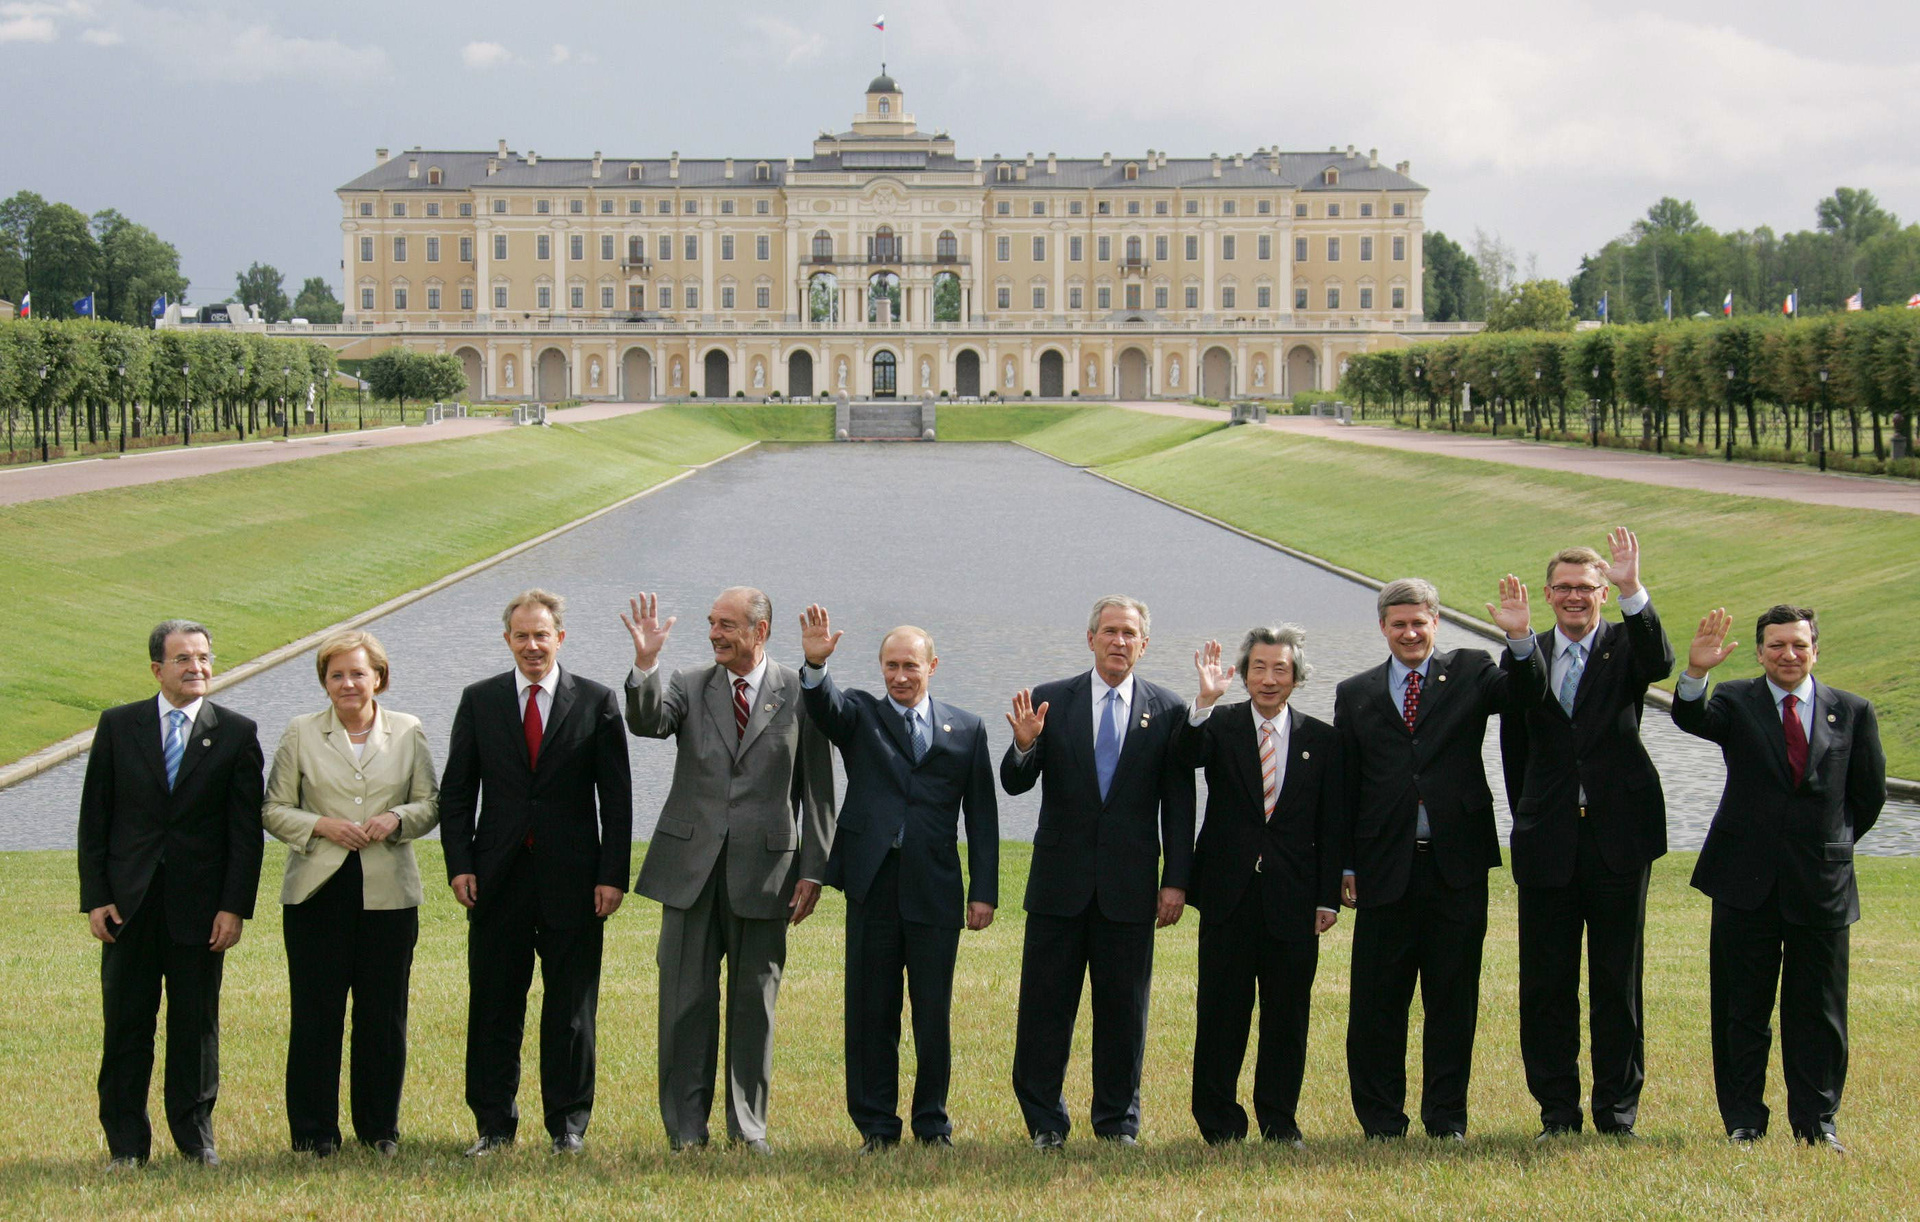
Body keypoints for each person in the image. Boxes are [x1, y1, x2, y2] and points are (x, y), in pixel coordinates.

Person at [621, 587, 834, 1154]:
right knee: (684, 1002)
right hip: (689, 869)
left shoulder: (799, 692)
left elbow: (818, 791)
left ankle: (749, 1127)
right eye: (712, 623)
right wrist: (646, 664)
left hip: (767, 874)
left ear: (759, 632)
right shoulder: (690, 685)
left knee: (753, 1005)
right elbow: (646, 723)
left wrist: (814, 869)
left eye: (728, 625)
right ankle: (686, 1131)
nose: (714, 633)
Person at [1335, 576, 1544, 1141]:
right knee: (1377, 1003)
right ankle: (1381, 1119)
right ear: (1383, 627)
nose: (1410, 632)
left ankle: (1445, 1117)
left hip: (1456, 864)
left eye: (1419, 622)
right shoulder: (1354, 692)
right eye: (1398, 623)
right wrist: (1346, 865)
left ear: (1436, 623)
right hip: (1383, 868)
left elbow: (1527, 696)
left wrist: (1521, 639)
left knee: (1453, 998)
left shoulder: (1474, 670)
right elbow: (1346, 787)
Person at [1673, 604, 1885, 1152]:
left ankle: (1818, 1122)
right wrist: (1695, 675)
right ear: (1761, 650)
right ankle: (1744, 1119)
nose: (1788, 655)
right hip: (1745, 879)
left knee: (1819, 1011)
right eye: (1775, 646)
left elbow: (1868, 795)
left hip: (1821, 884)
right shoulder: (1736, 701)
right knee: (1742, 1008)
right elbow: (1693, 720)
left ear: (1816, 648)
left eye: (1798, 645)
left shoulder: (1852, 711)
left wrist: (1830, 847)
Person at [795, 607, 998, 1152]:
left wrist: (983, 892)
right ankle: (877, 1127)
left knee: (933, 1015)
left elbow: (981, 817)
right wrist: (815, 665)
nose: (900, 676)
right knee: (870, 1013)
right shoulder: (860, 714)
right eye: (890, 666)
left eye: (910, 665)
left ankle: (933, 1124)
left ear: (932, 666)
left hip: (935, 889)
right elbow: (825, 707)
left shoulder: (967, 729)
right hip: (873, 886)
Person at [439, 590, 632, 1156]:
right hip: (496, 879)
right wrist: (459, 866)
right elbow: (456, 795)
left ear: (560, 639)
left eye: (541, 635)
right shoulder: (480, 701)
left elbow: (617, 801)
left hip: (574, 882)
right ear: (507, 641)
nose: (531, 645)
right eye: (521, 636)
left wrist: (612, 875)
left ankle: (568, 1126)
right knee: (495, 1004)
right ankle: (494, 1126)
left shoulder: (595, 701)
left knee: (571, 1009)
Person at [1002, 595, 1195, 1150]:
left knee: (1124, 1012)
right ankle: (1045, 1123)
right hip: (1058, 887)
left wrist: (1175, 879)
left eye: (1129, 633)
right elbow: (1016, 782)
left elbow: (1179, 804)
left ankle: (1116, 1124)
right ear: (1090, 639)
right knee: (1044, 1010)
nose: (1118, 641)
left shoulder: (1170, 710)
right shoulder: (1049, 701)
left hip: (1131, 890)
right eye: (1109, 631)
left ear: (1144, 643)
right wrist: (1022, 745)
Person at [1498, 529, 1673, 1140]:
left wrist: (1633, 589)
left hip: (1620, 837)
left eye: (1587, 588)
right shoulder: (1526, 650)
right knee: (1546, 983)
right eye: (1564, 588)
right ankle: (1557, 1113)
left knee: (1616, 980)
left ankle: (1617, 1113)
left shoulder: (1628, 646)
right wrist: (1519, 639)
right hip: (1547, 838)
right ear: (1548, 594)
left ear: (1602, 592)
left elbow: (1662, 665)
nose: (1576, 597)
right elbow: (1514, 746)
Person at [78, 619, 264, 1169]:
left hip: (201, 912)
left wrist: (233, 908)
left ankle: (195, 1140)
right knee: (127, 1027)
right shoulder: (118, 726)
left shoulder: (236, 732)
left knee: (196, 1029)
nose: (197, 668)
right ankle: (126, 1146)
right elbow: (96, 820)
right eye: (183, 659)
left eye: (204, 658)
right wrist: (96, 896)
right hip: (129, 908)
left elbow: (244, 836)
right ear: (157, 668)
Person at [262, 630, 440, 1157]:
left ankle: (379, 1129)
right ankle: (314, 1132)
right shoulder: (299, 733)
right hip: (317, 891)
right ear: (324, 682)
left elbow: (430, 803)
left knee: (383, 1017)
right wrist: (320, 824)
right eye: (336, 674)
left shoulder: (408, 731)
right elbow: (273, 809)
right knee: (316, 1014)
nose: (347, 683)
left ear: (378, 678)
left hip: (389, 893)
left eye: (358, 673)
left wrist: (396, 818)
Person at [1173, 628, 1342, 1147]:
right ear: (1244, 674)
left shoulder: (1321, 739)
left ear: (1296, 676)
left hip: (1295, 898)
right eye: (1259, 668)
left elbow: (1332, 824)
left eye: (1281, 669)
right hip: (1228, 893)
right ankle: (1219, 1121)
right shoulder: (1219, 725)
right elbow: (1184, 758)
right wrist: (1202, 701)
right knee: (1222, 1012)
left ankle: (1279, 1119)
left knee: (1287, 1015)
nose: (1269, 679)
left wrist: (1327, 896)